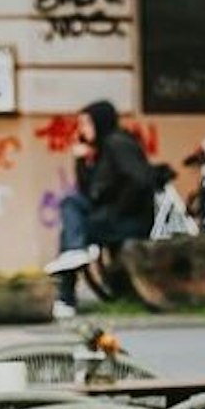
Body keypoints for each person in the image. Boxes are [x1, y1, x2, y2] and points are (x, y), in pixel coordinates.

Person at [44, 99, 160, 318]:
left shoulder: (118, 144)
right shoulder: (98, 151)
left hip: (128, 220)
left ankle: (66, 297)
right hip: (108, 216)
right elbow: (86, 192)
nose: (82, 130)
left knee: (72, 233)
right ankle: (74, 253)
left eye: (86, 124)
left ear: (100, 122)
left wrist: (116, 211)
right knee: (71, 204)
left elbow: (139, 181)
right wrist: (84, 163)